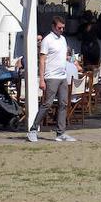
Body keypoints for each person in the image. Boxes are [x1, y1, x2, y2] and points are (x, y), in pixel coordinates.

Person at [29, 15, 75, 143]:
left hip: (62, 76)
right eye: (59, 28)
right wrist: (42, 79)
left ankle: (61, 132)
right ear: (53, 27)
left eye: (63, 28)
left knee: (63, 104)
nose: (61, 30)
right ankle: (33, 129)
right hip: (51, 76)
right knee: (47, 104)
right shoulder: (47, 40)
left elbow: (64, 56)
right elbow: (42, 60)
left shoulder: (63, 39)